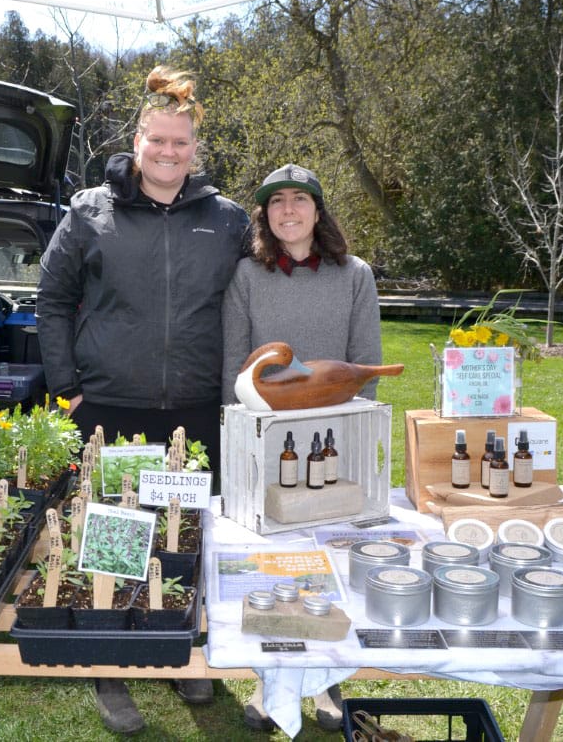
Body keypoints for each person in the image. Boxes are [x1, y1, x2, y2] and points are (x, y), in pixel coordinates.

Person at [37, 66, 248, 734]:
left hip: (192, 411)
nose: (168, 153)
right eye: (157, 141)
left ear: (195, 149)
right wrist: (65, 384)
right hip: (110, 410)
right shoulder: (90, 211)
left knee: (184, 538)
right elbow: (50, 300)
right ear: (136, 141)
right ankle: (112, 666)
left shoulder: (227, 221)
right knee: (116, 535)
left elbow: (261, 294)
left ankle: (181, 654)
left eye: (180, 143)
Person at [221, 163, 382, 732]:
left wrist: (328, 427)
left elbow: (367, 363)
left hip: (332, 445)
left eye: (300, 200)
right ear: (265, 215)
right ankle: (273, 684)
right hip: (263, 441)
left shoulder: (355, 274)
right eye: (276, 202)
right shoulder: (246, 276)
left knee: (328, 559)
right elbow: (235, 369)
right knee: (271, 565)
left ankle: (328, 681)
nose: (288, 210)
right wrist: (249, 437)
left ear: (318, 210)